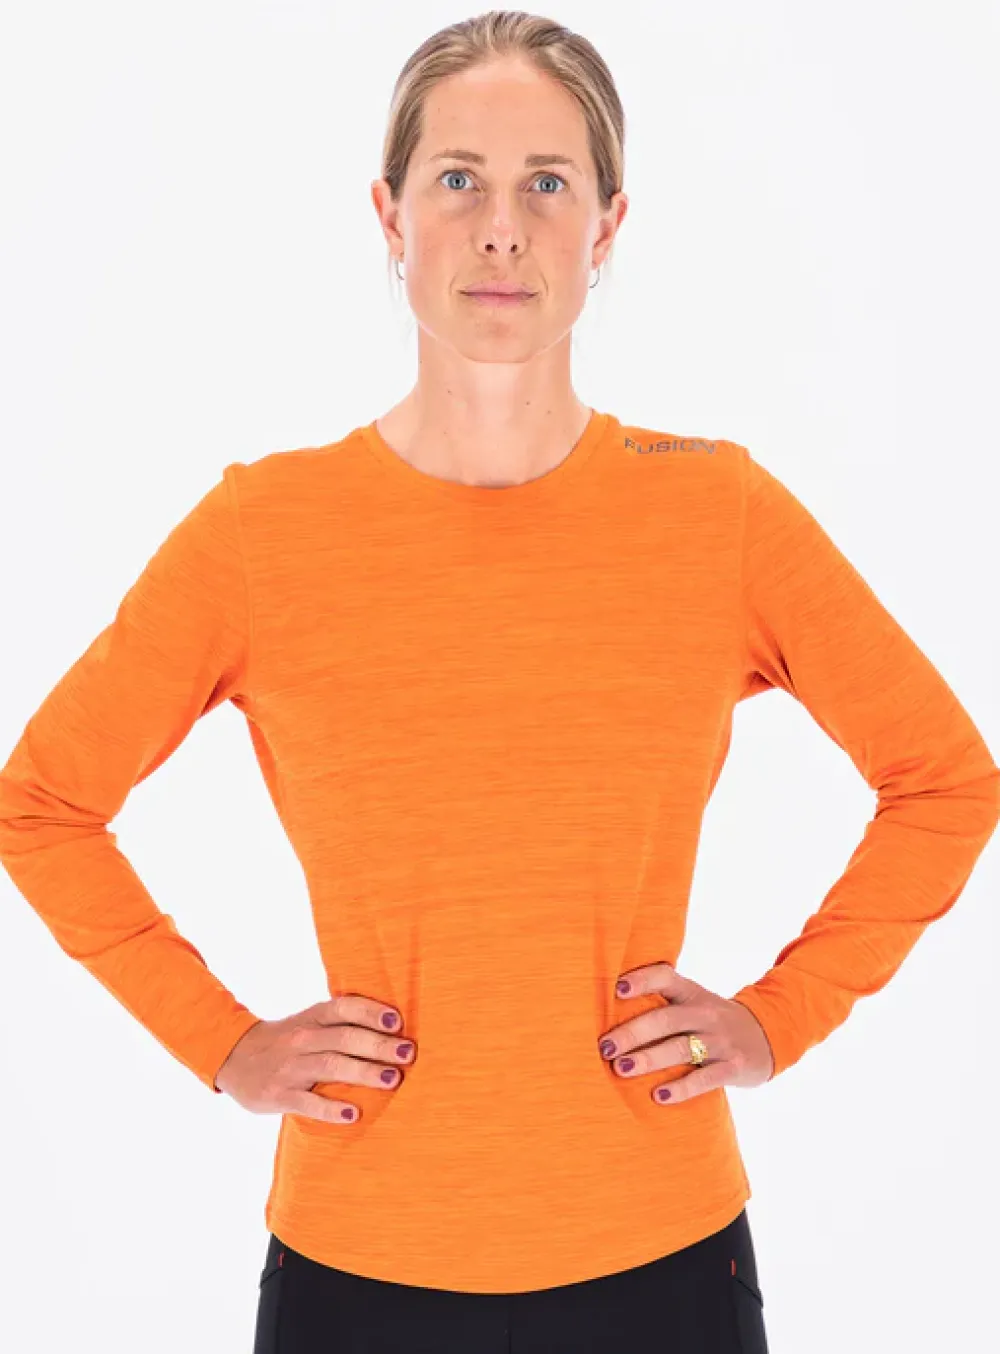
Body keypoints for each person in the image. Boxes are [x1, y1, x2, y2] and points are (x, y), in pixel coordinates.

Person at [1, 10, 997, 1354]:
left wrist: (776, 1020)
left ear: (608, 226)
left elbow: (944, 781)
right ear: (389, 214)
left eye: (549, 183)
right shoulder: (264, 533)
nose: (502, 229)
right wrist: (225, 1045)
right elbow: (43, 803)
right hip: (357, 1262)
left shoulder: (718, 515)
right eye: (459, 178)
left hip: (662, 1256)